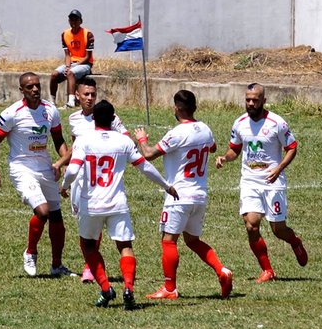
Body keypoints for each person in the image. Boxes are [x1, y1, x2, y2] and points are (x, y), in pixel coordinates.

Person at [61, 100, 179, 309]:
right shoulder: (123, 142)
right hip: (117, 204)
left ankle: (106, 288)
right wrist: (166, 185)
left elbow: (72, 170)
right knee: (125, 247)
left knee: (88, 246)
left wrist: (64, 186)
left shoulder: (84, 140)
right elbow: (145, 167)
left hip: (92, 204)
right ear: (114, 119)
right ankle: (129, 289)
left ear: (94, 119)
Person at [134, 90, 233, 300]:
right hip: (199, 195)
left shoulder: (176, 133)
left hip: (178, 195)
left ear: (177, 108)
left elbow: (149, 154)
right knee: (193, 240)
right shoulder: (205, 129)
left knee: (169, 241)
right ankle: (222, 270)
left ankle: (169, 288)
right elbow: (213, 148)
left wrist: (142, 140)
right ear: (195, 107)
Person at [215, 83, 308, 283]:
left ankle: (294, 241)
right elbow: (235, 149)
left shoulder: (277, 123)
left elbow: (292, 147)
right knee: (251, 225)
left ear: (263, 101)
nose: (250, 103)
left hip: (272, 181)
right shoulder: (239, 123)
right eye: (248, 99)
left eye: (255, 100)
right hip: (249, 181)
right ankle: (267, 270)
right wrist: (225, 157)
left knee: (278, 229)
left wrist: (279, 167)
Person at [0, 72, 74, 277]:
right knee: (42, 212)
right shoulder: (12, 113)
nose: (35, 89)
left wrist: (67, 164)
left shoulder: (50, 110)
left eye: (37, 86)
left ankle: (56, 266)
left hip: (45, 168)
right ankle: (31, 251)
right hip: (22, 169)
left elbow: (58, 139)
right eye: (29, 87)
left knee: (56, 218)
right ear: (22, 90)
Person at [54, 77, 130, 283]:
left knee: (96, 216)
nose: (90, 98)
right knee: (84, 220)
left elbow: (126, 139)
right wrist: (61, 163)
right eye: (86, 94)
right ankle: (93, 264)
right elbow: (75, 148)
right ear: (77, 95)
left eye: (93, 94)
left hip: (102, 180)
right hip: (79, 177)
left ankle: (90, 268)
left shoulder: (108, 116)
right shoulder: (74, 119)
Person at [49, 9, 94, 108]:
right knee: (54, 75)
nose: (74, 22)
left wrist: (73, 67)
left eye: (76, 20)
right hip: (72, 63)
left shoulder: (88, 34)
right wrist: (67, 66)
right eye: (71, 20)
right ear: (69, 21)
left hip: (85, 64)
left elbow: (88, 56)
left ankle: (71, 102)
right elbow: (67, 54)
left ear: (80, 21)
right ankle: (52, 102)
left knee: (70, 73)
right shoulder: (65, 34)